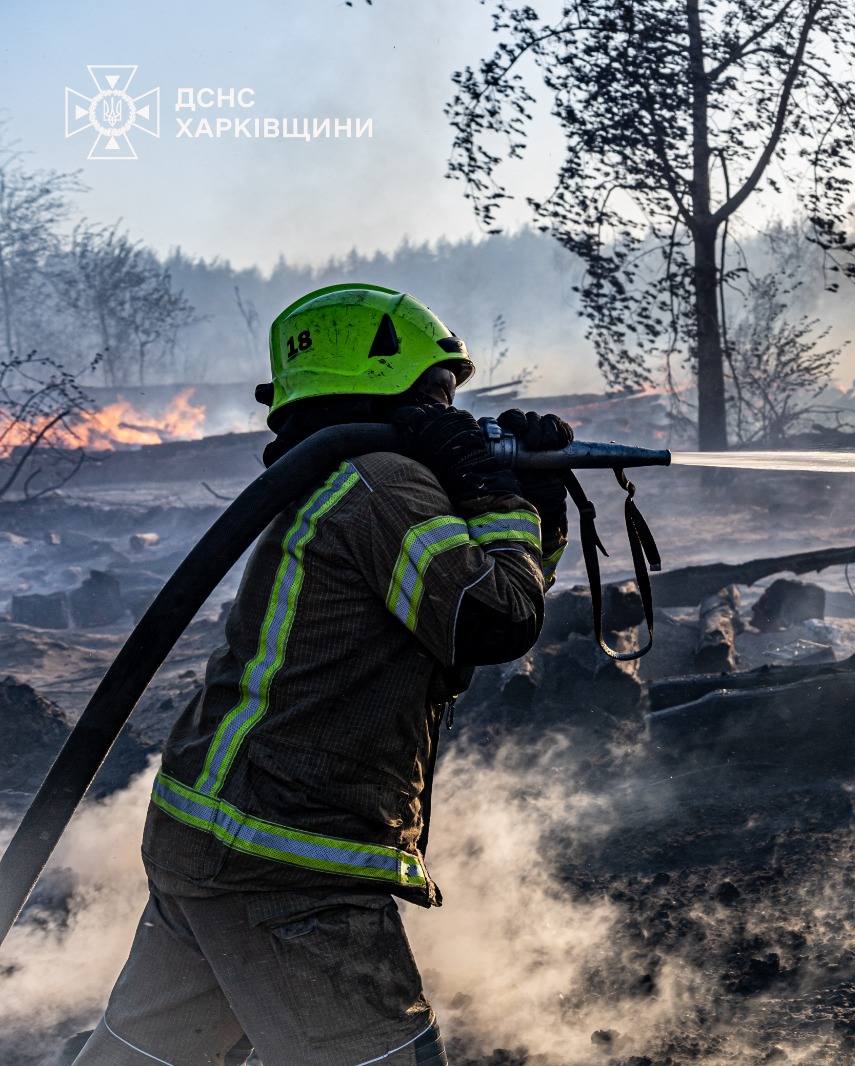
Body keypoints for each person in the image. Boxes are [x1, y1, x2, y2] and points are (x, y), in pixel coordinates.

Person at [72, 284, 572, 1065]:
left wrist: (535, 507)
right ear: (390, 391)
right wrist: (496, 492)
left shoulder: (351, 480)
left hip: (218, 834)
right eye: (440, 393)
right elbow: (494, 617)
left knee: (148, 1058)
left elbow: (458, 609)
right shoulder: (383, 483)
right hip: (288, 861)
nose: (455, 416)